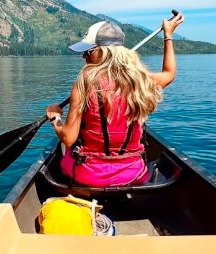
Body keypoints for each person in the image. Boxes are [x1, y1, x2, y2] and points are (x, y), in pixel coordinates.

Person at [45, 13, 185, 187]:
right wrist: (168, 35)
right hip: (134, 174)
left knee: (63, 146)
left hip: (89, 176)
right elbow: (169, 73)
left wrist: (54, 118)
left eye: (88, 52)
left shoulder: (84, 83)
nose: (84, 57)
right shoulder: (141, 81)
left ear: (102, 52)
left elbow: (68, 138)